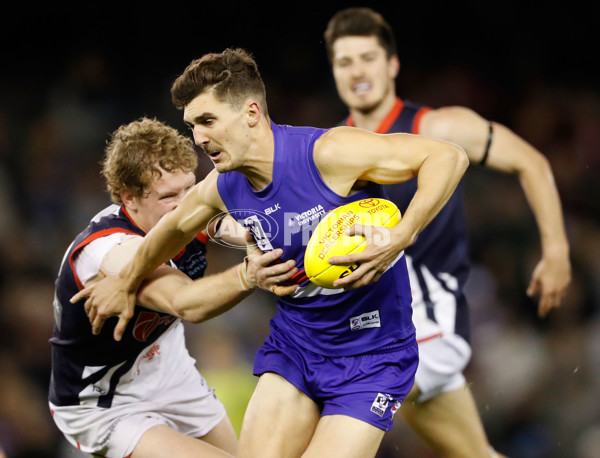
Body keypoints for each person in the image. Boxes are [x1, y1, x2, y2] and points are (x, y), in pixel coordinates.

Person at [74, 48, 468, 458]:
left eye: (207, 121)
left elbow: (447, 157)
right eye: (192, 125)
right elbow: (169, 231)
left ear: (251, 113)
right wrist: (127, 280)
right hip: (297, 349)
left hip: (372, 358)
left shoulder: (328, 154)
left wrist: (402, 234)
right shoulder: (223, 186)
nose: (199, 138)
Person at [322, 7, 572, 457]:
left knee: (346, 397)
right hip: (371, 320)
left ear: (392, 64)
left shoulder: (436, 127)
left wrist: (555, 251)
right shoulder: (329, 146)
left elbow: (530, 162)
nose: (358, 70)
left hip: (428, 320)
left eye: (368, 57)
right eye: (345, 61)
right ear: (334, 71)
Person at [49, 117, 285, 458]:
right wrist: (248, 275)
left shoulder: (182, 209)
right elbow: (187, 304)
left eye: (189, 188)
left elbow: (221, 223)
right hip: (103, 403)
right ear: (129, 198)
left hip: (172, 375)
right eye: (168, 196)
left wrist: (253, 232)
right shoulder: (108, 250)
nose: (184, 204)